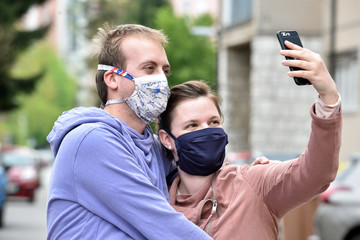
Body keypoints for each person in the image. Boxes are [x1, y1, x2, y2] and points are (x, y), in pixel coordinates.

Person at [158, 41, 342, 240]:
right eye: (192, 125)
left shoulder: (252, 183)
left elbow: (315, 173)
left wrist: (328, 98)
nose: (206, 131)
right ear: (167, 139)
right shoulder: (157, 207)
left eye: (213, 122)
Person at [46, 24, 214, 239]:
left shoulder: (151, 145)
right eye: (149, 68)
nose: (162, 80)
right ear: (112, 78)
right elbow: (162, 224)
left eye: (165, 70)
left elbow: (201, 179)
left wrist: (259, 174)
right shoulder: (90, 140)